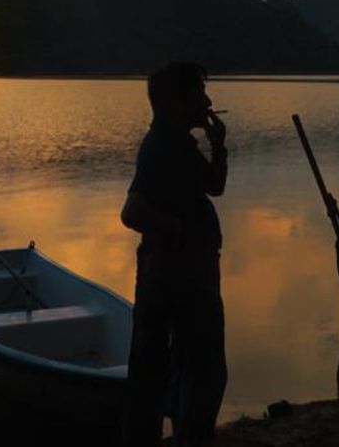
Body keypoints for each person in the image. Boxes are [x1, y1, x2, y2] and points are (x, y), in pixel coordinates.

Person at [120, 61, 227, 447]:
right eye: (199, 95)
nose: (208, 102)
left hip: (183, 274)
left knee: (186, 369)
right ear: (173, 102)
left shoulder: (179, 144)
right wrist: (179, 230)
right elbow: (131, 212)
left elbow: (214, 186)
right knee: (198, 369)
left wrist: (218, 146)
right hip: (174, 275)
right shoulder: (160, 146)